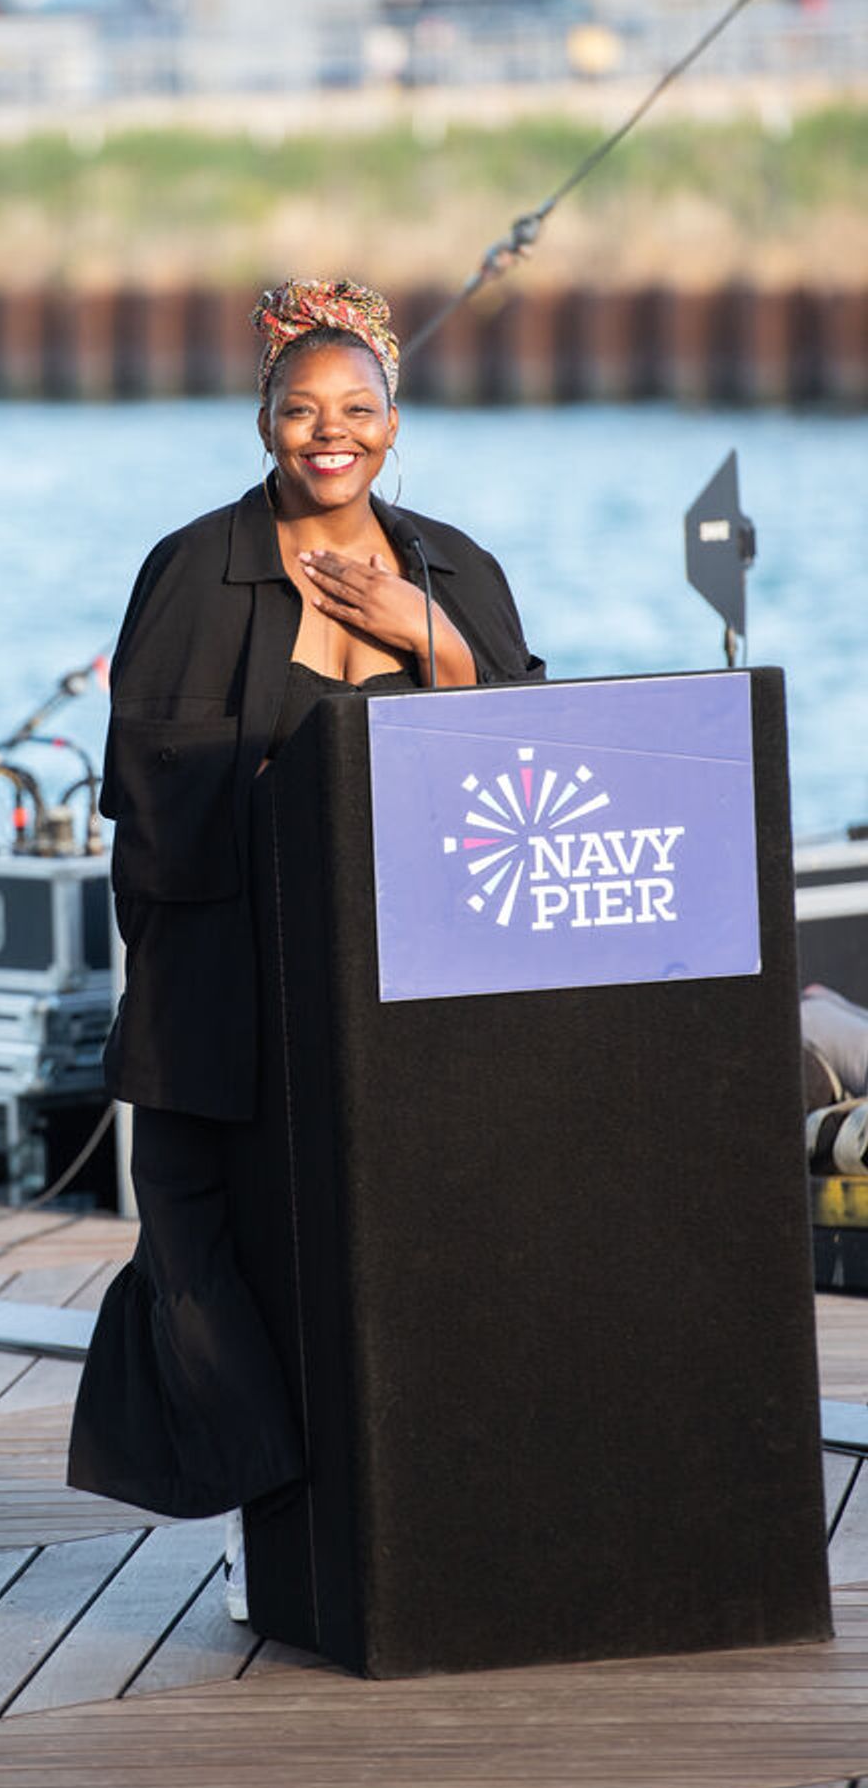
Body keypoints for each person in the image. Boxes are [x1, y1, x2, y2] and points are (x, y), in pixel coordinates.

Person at [66, 278, 544, 1615]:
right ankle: (266, 1487)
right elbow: (147, 797)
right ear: (263, 418)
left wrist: (430, 644)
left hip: (405, 1002)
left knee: (403, 1257)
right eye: (300, 408)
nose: (328, 433)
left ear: (394, 419)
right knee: (198, 1250)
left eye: (357, 408)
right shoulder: (190, 567)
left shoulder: (456, 569)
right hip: (220, 996)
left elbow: (529, 771)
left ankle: (417, 1497)